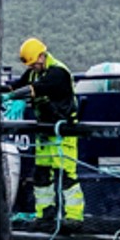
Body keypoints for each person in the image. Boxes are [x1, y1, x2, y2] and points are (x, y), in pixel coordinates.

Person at [7, 37, 83, 224]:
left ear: (42, 56)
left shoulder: (58, 73)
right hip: (45, 131)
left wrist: (12, 96)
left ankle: (74, 217)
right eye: (30, 65)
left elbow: (36, 89)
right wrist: (2, 90)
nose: (33, 67)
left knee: (66, 175)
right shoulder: (34, 73)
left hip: (63, 131)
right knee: (41, 175)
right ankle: (45, 214)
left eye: (34, 63)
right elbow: (18, 85)